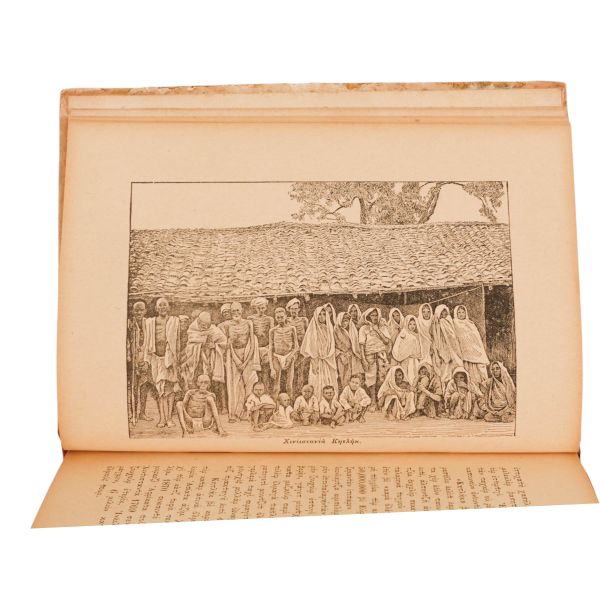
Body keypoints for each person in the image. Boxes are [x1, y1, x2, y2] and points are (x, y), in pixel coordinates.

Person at [143, 297, 181, 428]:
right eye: (160, 305)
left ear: (169, 307)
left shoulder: (174, 321)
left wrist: (176, 360)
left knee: (170, 390)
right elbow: (147, 341)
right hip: (156, 359)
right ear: (156, 308)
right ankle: (162, 419)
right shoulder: (150, 322)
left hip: (170, 359)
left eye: (165, 305)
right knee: (160, 390)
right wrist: (146, 360)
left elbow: (177, 341)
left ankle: (169, 418)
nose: (162, 307)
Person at [221, 302, 260, 422]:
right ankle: (234, 414)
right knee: (234, 386)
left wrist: (246, 361)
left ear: (242, 310)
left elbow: (252, 342)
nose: (236, 313)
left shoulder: (248, 323)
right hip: (233, 357)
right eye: (233, 311)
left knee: (249, 384)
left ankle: (248, 412)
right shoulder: (227, 325)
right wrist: (237, 361)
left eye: (238, 310)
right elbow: (228, 344)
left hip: (247, 355)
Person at [180, 312, 227, 402]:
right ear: (198, 322)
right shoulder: (193, 329)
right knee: (196, 381)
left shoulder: (214, 330)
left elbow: (223, 342)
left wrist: (214, 346)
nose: (204, 327)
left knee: (212, 382)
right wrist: (201, 344)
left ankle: (213, 402)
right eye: (202, 324)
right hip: (197, 361)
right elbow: (190, 344)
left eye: (206, 325)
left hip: (211, 360)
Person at [300, 305, 338, 401]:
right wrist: (314, 361)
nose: (322, 316)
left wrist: (327, 356)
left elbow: (332, 345)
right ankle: (317, 401)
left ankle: (330, 402)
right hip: (316, 360)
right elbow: (310, 347)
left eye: (324, 314)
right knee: (316, 381)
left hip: (327, 360)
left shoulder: (329, 328)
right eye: (319, 314)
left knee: (328, 380)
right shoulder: (312, 329)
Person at [358, 307, 391, 405]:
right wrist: (363, 359)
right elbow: (361, 345)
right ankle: (373, 400)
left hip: (381, 355)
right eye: (372, 315)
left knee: (382, 377)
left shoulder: (382, 327)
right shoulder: (364, 328)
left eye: (376, 315)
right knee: (371, 377)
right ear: (368, 316)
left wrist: (377, 330)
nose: (375, 317)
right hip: (369, 355)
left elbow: (386, 341)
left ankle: (380, 399)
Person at [127, 300, 153, 423]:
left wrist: (147, 360)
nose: (138, 312)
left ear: (145, 311)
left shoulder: (148, 323)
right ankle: (133, 414)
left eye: (141, 310)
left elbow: (150, 341)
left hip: (145, 359)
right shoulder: (129, 323)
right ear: (133, 311)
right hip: (132, 360)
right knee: (133, 387)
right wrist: (129, 355)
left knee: (144, 387)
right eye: (136, 310)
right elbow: (127, 342)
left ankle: (142, 413)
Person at [452, 305, 490, 387]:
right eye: (459, 312)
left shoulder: (470, 324)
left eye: (463, 312)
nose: (461, 314)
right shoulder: (454, 323)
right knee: (468, 370)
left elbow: (477, 338)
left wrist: (477, 348)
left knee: (478, 370)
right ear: (456, 314)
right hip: (464, 352)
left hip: (474, 350)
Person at [430, 304, 463, 389]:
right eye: (441, 314)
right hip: (442, 352)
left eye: (445, 314)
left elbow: (453, 337)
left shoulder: (449, 323)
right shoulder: (436, 324)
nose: (443, 316)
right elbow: (435, 339)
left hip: (452, 351)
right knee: (444, 373)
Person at [268, 307, 299, 398]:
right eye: (278, 317)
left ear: (285, 316)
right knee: (276, 385)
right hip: (277, 357)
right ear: (275, 318)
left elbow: (296, 346)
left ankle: (290, 403)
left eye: (282, 317)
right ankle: (275, 404)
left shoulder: (292, 329)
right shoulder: (273, 330)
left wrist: (290, 356)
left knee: (289, 385)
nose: (280, 319)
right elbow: (270, 348)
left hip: (289, 355)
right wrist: (271, 368)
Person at [248, 297, 274, 390]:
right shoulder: (250, 319)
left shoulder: (269, 319)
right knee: (256, 372)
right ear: (255, 308)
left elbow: (272, 334)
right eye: (259, 308)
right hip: (255, 349)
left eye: (263, 308)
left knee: (266, 371)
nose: (261, 310)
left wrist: (269, 348)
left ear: (266, 307)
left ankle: (266, 391)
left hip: (266, 348)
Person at [333, 311, 363, 389]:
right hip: (341, 356)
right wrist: (340, 354)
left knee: (355, 377)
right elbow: (333, 345)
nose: (344, 323)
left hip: (353, 355)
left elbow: (355, 344)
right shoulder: (336, 330)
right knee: (344, 377)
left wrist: (354, 353)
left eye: (346, 321)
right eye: (342, 321)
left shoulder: (352, 329)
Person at [286, 298, 309, 396]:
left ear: (299, 309)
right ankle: (291, 393)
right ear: (289, 309)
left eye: (295, 308)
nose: (294, 311)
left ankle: (301, 392)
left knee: (301, 371)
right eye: (292, 309)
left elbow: (308, 335)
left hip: (302, 349)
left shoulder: (304, 320)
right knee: (291, 373)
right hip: (291, 350)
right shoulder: (286, 320)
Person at [391, 315, 422, 384]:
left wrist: (415, 355)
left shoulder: (416, 335)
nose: (412, 326)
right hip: (405, 360)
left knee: (415, 376)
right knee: (407, 376)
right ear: (407, 324)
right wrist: (406, 353)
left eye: (414, 324)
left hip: (414, 360)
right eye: (410, 324)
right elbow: (399, 346)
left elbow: (418, 349)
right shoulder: (403, 333)